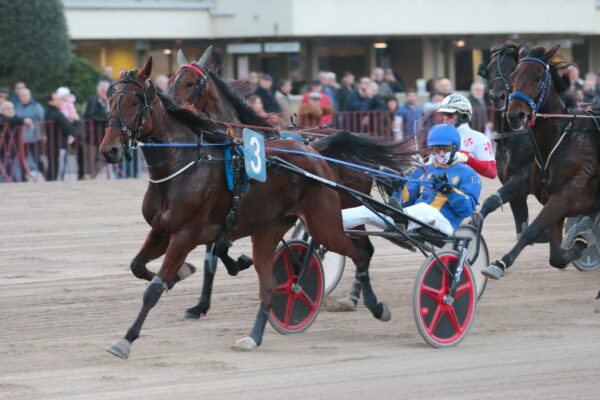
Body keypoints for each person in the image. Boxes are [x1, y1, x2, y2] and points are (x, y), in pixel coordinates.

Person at [342, 124, 481, 236]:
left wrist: (448, 190)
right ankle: (327, 223)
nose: (441, 153)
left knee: (424, 209)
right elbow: (406, 201)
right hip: (411, 219)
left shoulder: (469, 175)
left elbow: (467, 210)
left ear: (455, 147)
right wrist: (397, 187)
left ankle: (401, 220)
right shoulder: (422, 171)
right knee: (366, 209)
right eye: (436, 149)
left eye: (445, 149)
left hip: (444, 225)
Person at [437, 94, 497, 179]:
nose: (445, 118)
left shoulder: (479, 138)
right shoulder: (439, 136)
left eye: (449, 114)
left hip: (465, 189)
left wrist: (466, 158)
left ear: (463, 115)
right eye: (443, 114)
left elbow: (492, 172)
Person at [44, 92, 77, 181]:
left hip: (53, 144)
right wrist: (76, 130)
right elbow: (68, 128)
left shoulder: (49, 112)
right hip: (59, 145)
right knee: (58, 170)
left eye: (60, 99)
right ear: (50, 102)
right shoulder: (56, 113)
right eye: (57, 100)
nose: (60, 102)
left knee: (52, 169)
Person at [15, 88, 45, 180]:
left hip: (34, 137)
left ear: (29, 96)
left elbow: (43, 120)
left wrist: (44, 134)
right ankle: (23, 178)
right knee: (21, 159)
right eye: (20, 96)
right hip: (21, 138)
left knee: (37, 158)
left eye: (24, 96)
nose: (22, 98)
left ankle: (47, 175)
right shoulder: (17, 106)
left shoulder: (36, 106)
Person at [83, 81, 111, 177]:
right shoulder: (93, 99)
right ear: (98, 91)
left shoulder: (108, 102)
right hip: (90, 135)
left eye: (107, 91)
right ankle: (87, 178)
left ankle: (92, 176)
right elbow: (92, 114)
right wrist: (106, 117)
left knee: (104, 158)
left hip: (102, 137)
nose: (105, 93)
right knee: (89, 161)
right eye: (103, 91)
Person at [0, 101, 31, 182]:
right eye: (8, 109)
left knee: (13, 171)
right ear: (1, 111)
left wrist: (24, 120)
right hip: (3, 149)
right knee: (5, 171)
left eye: (12, 108)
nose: (11, 110)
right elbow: (5, 120)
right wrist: (23, 120)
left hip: (13, 149)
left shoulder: (15, 118)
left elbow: (15, 119)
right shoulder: (3, 118)